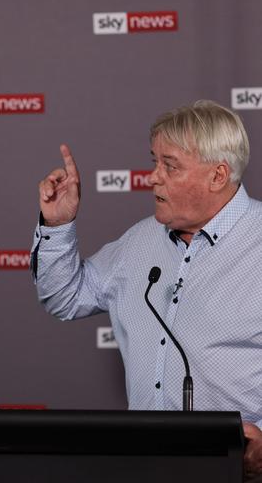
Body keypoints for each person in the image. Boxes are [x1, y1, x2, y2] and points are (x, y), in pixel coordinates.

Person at [31, 100, 262, 480]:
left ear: (218, 175)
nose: (152, 177)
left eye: (169, 166)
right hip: (146, 467)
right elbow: (64, 297)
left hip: (237, 471)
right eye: (154, 161)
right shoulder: (140, 242)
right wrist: (57, 225)